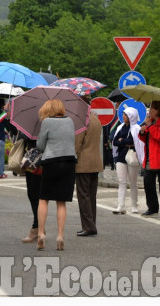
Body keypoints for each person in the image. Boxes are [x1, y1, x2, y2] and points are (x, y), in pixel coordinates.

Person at [35, 99, 77, 251]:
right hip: (69, 162)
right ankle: (60, 236)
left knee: (44, 198)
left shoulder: (47, 122)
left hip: (51, 162)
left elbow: (40, 145)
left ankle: (41, 233)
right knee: (61, 201)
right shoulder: (70, 121)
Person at [74, 100, 103, 237]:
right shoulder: (95, 119)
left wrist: (72, 158)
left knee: (83, 195)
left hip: (83, 163)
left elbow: (77, 144)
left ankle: (88, 226)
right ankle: (92, 224)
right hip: (95, 162)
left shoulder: (81, 121)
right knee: (92, 195)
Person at [112, 107, 144, 214]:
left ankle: (134, 205)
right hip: (121, 157)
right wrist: (124, 141)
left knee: (133, 183)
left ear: (131, 117)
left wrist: (123, 140)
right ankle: (121, 205)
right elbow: (115, 141)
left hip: (132, 157)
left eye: (125, 115)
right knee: (122, 181)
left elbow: (134, 141)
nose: (123, 117)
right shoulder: (120, 127)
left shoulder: (136, 128)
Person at [19, 133, 43, 243]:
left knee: (34, 194)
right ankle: (39, 226)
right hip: (37, 161)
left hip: (36, 161)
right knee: (35, 194)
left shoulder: (35, 124)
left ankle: (36, 227)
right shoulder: (40, 122)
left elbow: (24, 138)